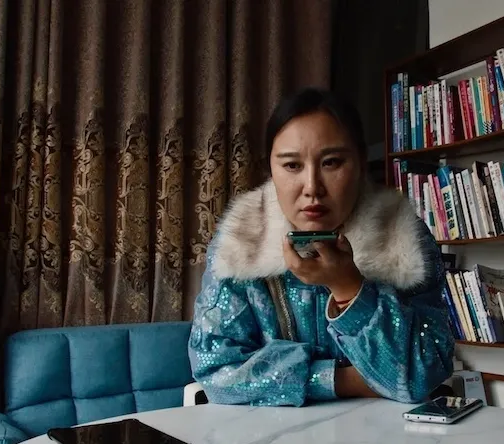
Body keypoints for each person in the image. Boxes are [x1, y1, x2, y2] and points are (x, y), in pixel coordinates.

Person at [188, 87, 455, 407]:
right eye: (291, 166)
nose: (312, 187)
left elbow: (424, 374)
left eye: (331, 162)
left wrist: (348, 287)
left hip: (386, 442)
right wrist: (343, 380)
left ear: (358, 163)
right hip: (270, 442)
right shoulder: (242, 242)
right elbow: (215, 370)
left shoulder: (404, 240)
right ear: (270, 170)